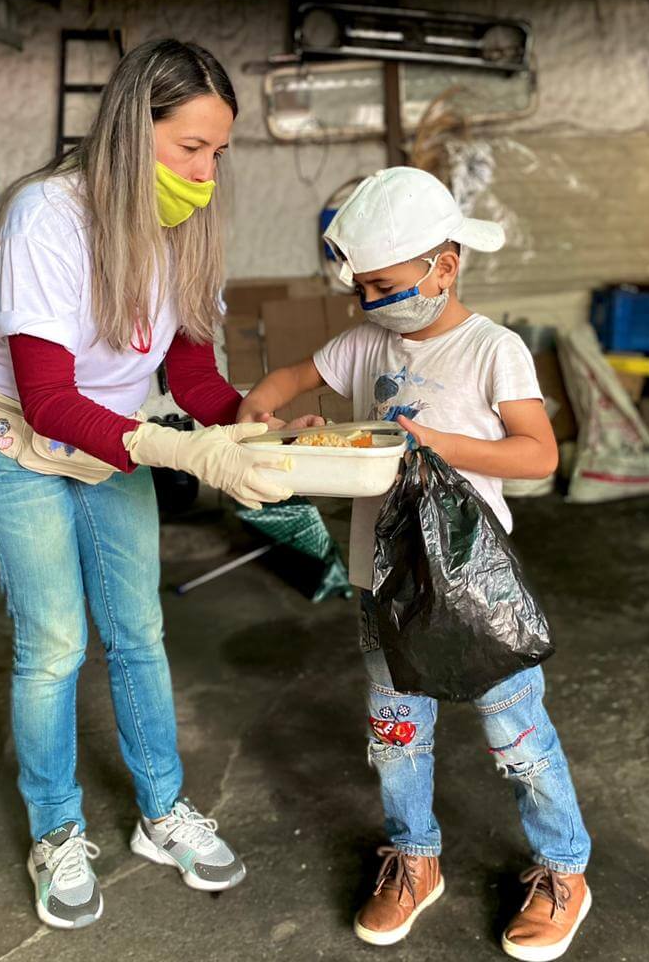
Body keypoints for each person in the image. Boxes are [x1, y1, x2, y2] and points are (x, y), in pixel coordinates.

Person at [0, 38, 303, 930]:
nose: (207, 173)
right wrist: (188, 453)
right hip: (9, 427)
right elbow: (47, 401)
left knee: (138, 626)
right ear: (130, 134)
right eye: (190, 148)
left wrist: (251, 424)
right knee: (55, 641)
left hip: (107, 424)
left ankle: (161, 811)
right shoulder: (48, 217)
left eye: (219, 152)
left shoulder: (184, 225)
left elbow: (193, 374)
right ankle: (55, 828)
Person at [238, 167, 592, 962]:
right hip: (383, 582)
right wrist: (262, 412)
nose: (371, 302)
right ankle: (414, 857)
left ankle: (565, 867)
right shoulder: (366, 342)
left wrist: (435, 444)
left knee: (517, 736)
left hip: (470, 584)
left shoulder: (492, 349)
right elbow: (291, 379)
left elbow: (537, 453)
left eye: (384, 285)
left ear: (445, 266)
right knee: (397, 734)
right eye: (362, 288)